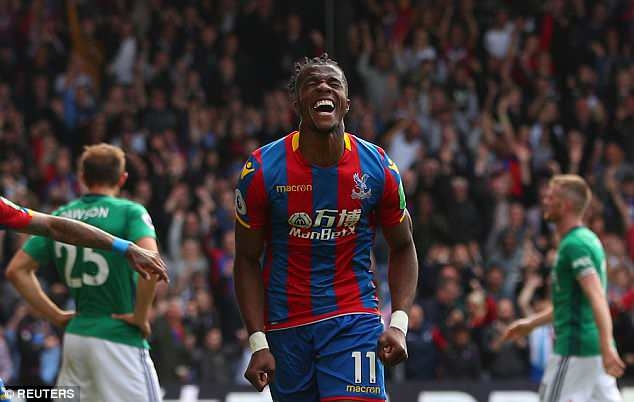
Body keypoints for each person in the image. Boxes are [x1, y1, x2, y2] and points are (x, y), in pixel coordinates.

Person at [234, 54, 418, 401]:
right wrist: (257, 342)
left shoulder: (378, 167)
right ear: (297, 102)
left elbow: (403, 245)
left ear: (346, 102)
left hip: (353, 318)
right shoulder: (261, 170)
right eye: (312, 83)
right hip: (287, 326)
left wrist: (398, 324)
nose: (323, 87)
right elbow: (245, 258)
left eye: (333, 83)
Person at [6, 144, 163, 402]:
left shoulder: (62, 216)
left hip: (76, 337)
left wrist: (56, 316)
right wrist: (141, 316)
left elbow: (16, 271)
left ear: (82, 177)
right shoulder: (130, 212)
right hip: (119, 335)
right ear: (122, 178)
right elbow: (151, 263)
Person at [504, 174, 625, 402]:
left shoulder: (574, 245)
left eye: (551, 197)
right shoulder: (588, 238)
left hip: (575, 348)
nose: (545, 200)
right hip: (593, 348)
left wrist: (608, 345)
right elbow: (572, 303)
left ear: (566, 205)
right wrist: (531, 323)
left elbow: (597, 296)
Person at [0, 194, 167, 282]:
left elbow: (16, 270)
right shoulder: (132, 211)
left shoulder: (4, 209)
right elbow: (53, 227)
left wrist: (125, 247)